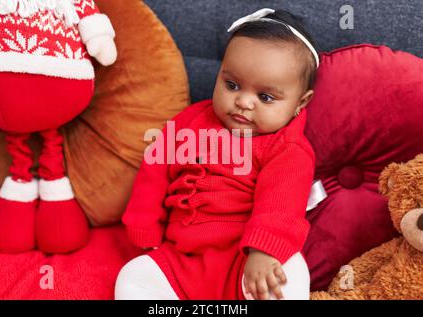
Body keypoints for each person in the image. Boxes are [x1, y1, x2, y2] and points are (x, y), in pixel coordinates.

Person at [115, 8, 320, 300]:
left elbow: (282, 203)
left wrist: (264, 250)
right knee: (133, 278)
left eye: (265, 97)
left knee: (289, 275)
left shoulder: (287, 148)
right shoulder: (188, 123)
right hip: (180, 259)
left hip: (246, 260)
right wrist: (143, 226)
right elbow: (154, 172)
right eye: (232, 85)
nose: (243, 102)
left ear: (301, 102)